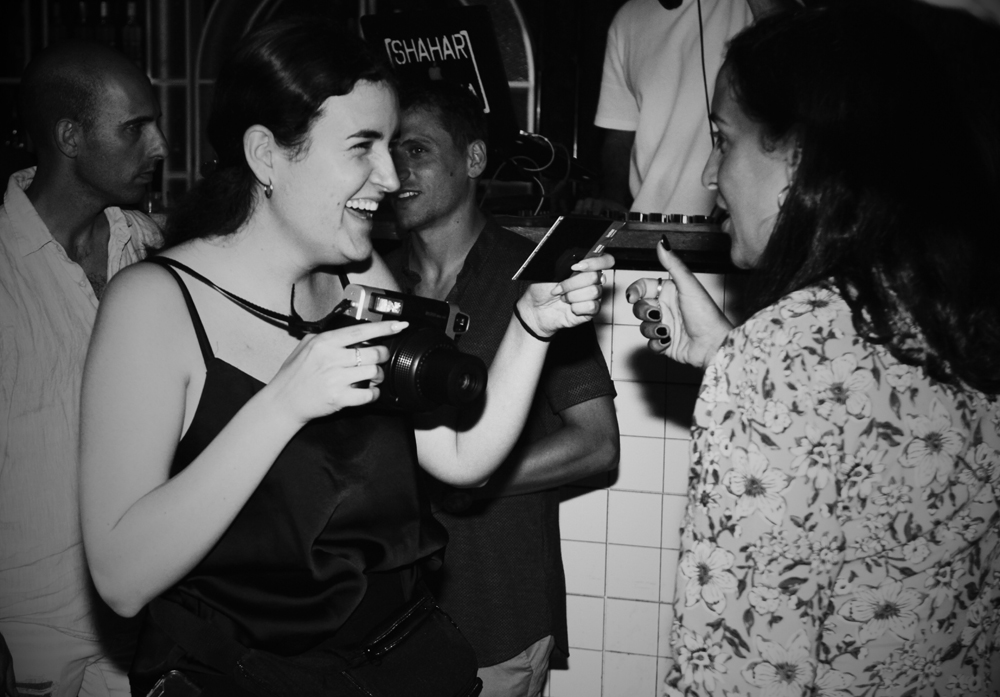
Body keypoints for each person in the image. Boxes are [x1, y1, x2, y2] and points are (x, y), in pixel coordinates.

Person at [77, 18, 613, 697]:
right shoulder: (153, 303)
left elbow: (459, 456)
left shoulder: (361, 278)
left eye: (392, 145)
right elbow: (122, 578)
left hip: (395, 664)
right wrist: (283, 403)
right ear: (267, 155)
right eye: (363, 145)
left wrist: (532, 329)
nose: (389, 176)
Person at [626, 1, 1000, 694]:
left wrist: (753, 367)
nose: (708, 176)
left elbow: (739, 669)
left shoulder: (779, 357)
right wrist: (734, 356)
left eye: (723, 139)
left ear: (800, 156)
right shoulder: (956, 313)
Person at [386, 82, 620, 697]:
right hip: (384, 627)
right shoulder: (369, 280)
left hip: (497, 615)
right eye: (386, 149)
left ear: (473, 158)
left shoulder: (536, 278)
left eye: (417, 149)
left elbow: (597, 443)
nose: (395, 167)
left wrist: (468, 478)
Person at [0, 41, 167, 697]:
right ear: (70, 136)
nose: (158, 146)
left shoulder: (148, 247)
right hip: (29, 637)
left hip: (143, 616)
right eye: (135, 128)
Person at [578, 0, 792, 217]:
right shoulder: (628, 18)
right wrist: (612, 199)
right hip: (648, 223)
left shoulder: (760, 7)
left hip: (737, 223)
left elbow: (796, 43)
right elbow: (619, 137)